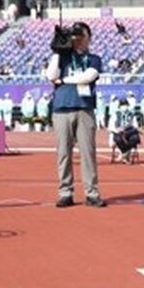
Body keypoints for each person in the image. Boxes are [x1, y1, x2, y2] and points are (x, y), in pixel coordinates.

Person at [44, 22, 104, 208]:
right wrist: (57, 51)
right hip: (62, 108)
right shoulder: (62, 58)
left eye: (81, 36)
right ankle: (65, 191)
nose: (77, 39)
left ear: (88, 38)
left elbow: (88, 77)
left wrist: (63, 80)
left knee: (88, 152)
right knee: (63, 153)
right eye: (74, 36)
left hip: (84, 108)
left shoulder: (94, 58)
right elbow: (50, 75)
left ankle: (91, 192)